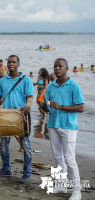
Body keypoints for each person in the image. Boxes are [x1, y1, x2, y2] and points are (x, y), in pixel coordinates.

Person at [39, 58, 84, 200]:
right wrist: (43, 107)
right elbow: (47, 105)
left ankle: (77, 191)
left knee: (69, 158)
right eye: (55, 66)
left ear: (67, 68)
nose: (57, 68)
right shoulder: (51, 87)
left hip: (69, 127)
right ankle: (61, 185)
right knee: (58, 157)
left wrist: (61, 107)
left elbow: (80, 107)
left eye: (60, 66)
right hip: (52, 125)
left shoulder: (74, 86)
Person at [0, 55, 33, 183]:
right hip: (5, 116)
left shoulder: (26, 80)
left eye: (14, 62)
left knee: (26, 146)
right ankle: (6, 168)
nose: (11, 64)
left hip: (21, 116)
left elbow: (30, 97)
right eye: (9, 62)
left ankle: (27, 172)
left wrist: (28, 107)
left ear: (18, 64)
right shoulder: (3, 80)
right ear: (7, 64)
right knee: (3, 145)